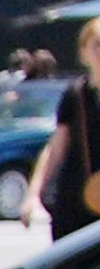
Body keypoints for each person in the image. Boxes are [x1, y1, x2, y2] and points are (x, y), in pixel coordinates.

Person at [30, 16, 100, 245]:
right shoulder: (75, 94)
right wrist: (32, 195)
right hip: (75, 203)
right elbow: (55, 149)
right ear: (84, 52)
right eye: (97, 44)